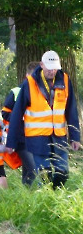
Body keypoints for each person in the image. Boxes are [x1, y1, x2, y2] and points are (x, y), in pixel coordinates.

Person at [6, 51, 80, 189]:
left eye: (54, 68)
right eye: (49, 67)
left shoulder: (65, 80)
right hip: (37, 139)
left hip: (59, 137)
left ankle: (53, 193)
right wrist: (11, 142)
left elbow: (71, 110)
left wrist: (75, 137)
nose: (52, 71)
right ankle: (47, 200)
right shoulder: (29, 83)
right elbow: (16, 114)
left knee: (63, 173)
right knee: (44, 175)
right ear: (41, 64)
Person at [2, 61, 39, 186]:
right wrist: (20, 116)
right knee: (34, 169)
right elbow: (5, 113)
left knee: (27, 169)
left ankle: (25, 194)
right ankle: (26, 192)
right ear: (26, 76)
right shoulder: (16, 92)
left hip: (35, 138)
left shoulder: (41, 94)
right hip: (20, 138)